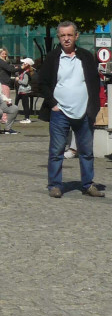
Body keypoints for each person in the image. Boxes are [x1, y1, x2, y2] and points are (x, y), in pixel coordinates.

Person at [38, 21, 103, 198]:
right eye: (62, 35)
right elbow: (41, 83)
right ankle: (55, 185)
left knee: (87, 152)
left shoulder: (86, 57)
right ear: (58, 37)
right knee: (57, 151)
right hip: (60, 112)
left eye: (69, 35)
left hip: (84, 112)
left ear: (76, 36)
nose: (66, 39)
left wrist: (94, 108)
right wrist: (53, 104)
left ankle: (88, 184)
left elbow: (95, 83)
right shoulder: (53, 57)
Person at [16, 58, 36, 123]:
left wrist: (18, 80)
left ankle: (27, 118)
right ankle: (24, 117)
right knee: (19, 102)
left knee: (25, 105)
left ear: (27, 64)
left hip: (24, 91)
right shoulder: (24, 72)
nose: (22, 64)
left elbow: (25, 82)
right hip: (21, 90)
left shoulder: (26, 73)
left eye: (24, 63)